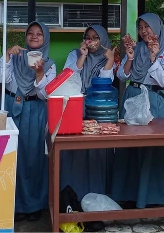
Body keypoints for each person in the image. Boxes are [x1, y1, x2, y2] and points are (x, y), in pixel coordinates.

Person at [110, 13, 164, 208]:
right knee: (128, 146)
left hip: (154, 99)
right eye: (141, 27)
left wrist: (154, 57)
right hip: (132, 96)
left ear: (157, 27)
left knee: (152, 148)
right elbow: (122, 75)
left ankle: (152, 197)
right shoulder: (136, 48)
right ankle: (126, 194)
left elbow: (163, 80)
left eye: (148, 26)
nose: (145, 31)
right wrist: (129, 58)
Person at [0, 22, 56, 222]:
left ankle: (34, 205)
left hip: (36, 111)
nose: (34, 36)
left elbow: (47, 94)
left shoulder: (49, 63)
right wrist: (7, 56)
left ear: (45, 38)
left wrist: (40, 73)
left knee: (33, 157)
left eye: (39, 34)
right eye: (30, 33)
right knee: (13, 157)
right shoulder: (15, 58)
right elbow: (2, 79)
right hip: (13, 108)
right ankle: (14, 204)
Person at [61, 25, 115, 232]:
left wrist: (110, 59)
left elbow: (105, 82)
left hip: (98, 111)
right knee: (74, 156)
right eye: (88, 37)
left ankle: (95, 208)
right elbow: (68, 76)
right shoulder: (73, 54)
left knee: (95, 157)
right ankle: (72, 203)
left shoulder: (106, 57)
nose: (91, 41)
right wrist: (82, 57)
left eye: (95, 38)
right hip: (74, 108)